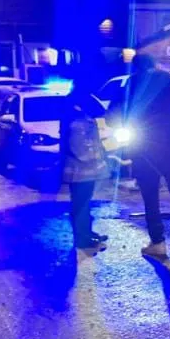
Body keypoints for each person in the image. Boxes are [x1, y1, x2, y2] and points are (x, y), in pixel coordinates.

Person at [122, 53, 170, 258]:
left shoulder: (133, 84)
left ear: (137, 67)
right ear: (154, 64)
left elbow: (117, 112)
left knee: (150, 197)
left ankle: (158, 243)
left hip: (144, 150)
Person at [60, 86, 109, 255]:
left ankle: (86, 233)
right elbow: (79, 148)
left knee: (83, 204)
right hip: (80, 171)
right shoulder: (78, 122)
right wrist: (96, 158)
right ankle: (82, 239)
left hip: (82, 171)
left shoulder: (77, 116)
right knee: (81, 205)